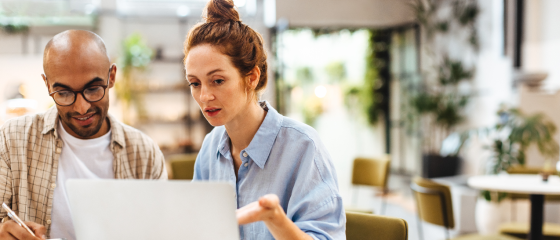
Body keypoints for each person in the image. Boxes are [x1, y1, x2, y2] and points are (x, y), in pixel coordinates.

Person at [185, 0, 345, 239]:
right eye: (195, 83)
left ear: (251, 77)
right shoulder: (211, 149)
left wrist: (276, 221)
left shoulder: (303, 147)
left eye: (217, 80)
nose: (204, 96)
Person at [0, 30, 167, 240]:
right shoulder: (12, 140)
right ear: (47, 85)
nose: (81, 107)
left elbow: (160, 231)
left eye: (93, 89)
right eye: (64, 93)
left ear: (112, 76)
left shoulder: (145, 153)